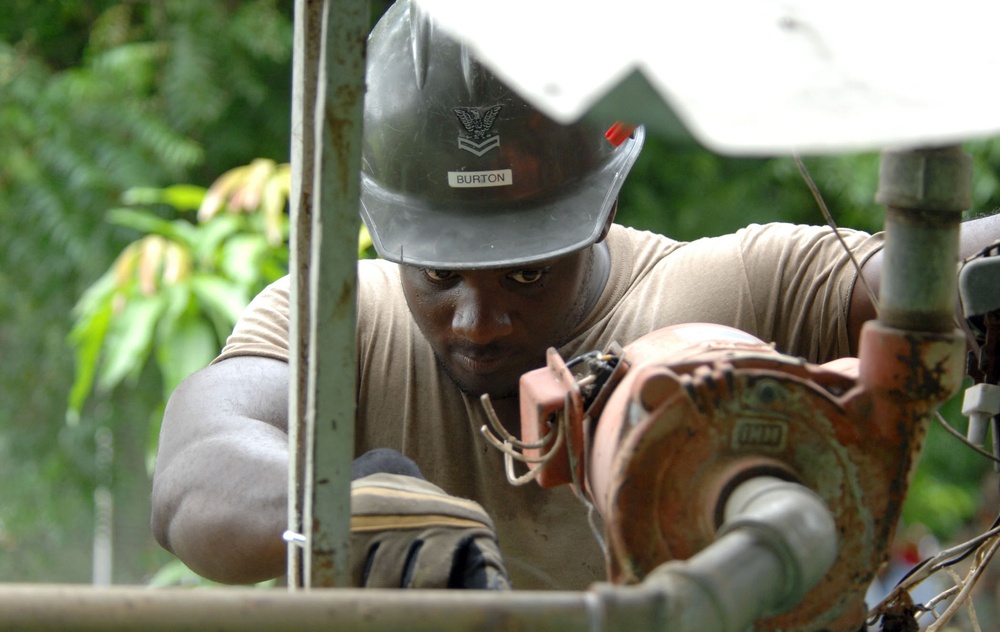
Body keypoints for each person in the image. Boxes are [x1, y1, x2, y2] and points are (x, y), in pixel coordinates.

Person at [150, 0, 1000, 590]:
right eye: (439, 275)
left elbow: (936, 270)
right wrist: (350, 507)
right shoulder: (343, 321)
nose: (478, 323)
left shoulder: (730, 288)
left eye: (526, 272)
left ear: (603, 209)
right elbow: (194, 473)